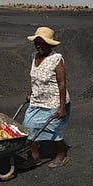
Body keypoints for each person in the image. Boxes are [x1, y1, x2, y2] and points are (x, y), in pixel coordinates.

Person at [19, 26, 71, 169]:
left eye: (42, 43)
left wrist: (62, 107)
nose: (38, 46)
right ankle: (35, 157)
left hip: (54, 101)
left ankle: (61, 155)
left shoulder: (56, 59)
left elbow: (62, 83)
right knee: (28, 127)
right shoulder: (34, 56)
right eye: (37, 43)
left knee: (53, 129)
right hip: (37, 100)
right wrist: (30, 92)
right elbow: (34, 78)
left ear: (49, 44)